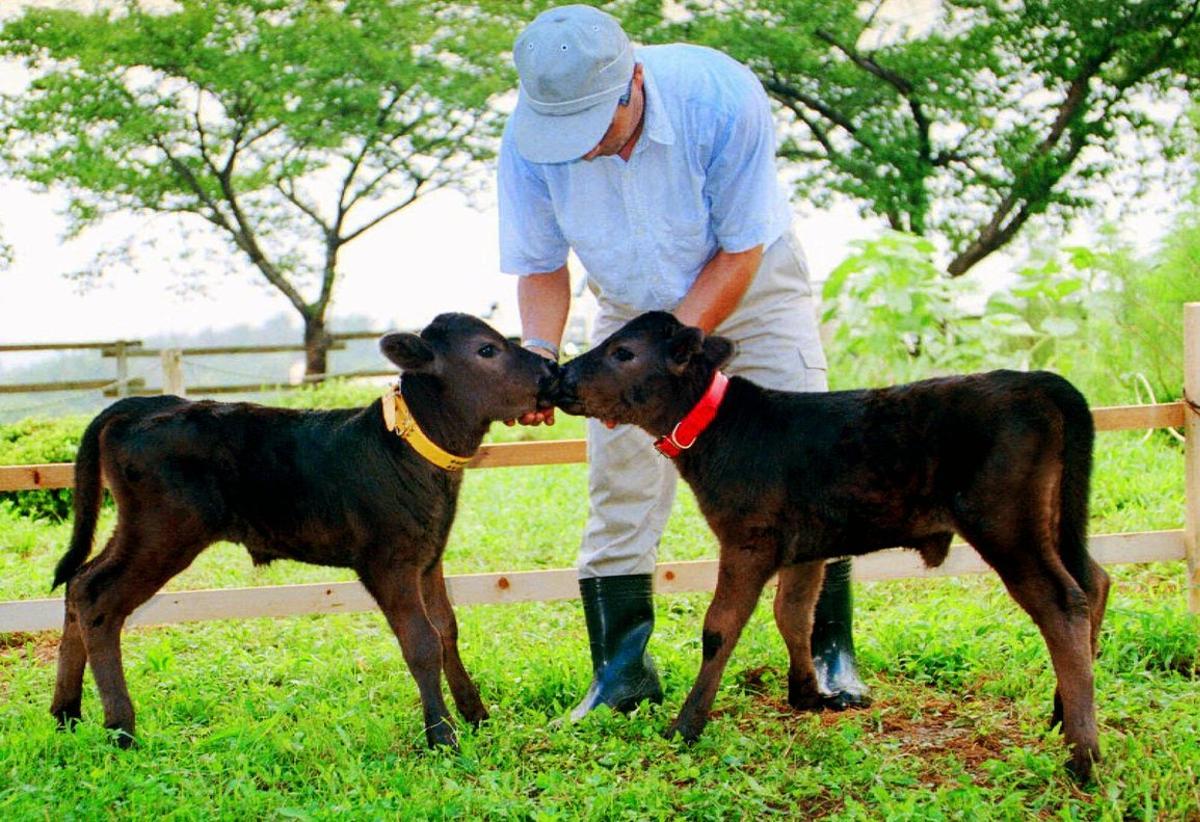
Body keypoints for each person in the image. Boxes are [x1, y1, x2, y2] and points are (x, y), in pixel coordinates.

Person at [498, 4, 869, 720]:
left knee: (814, 467)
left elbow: (740, 249)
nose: (578, 148)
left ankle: (829, 654)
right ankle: (621, 674)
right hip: (627, 320)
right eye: (561, 131)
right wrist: (540, 355)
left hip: (752, 288)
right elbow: (541, 265)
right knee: (620, 484)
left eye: (591, 128)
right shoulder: (527, 143)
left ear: (632, 83)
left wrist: (665, 367)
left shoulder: (718, 96)